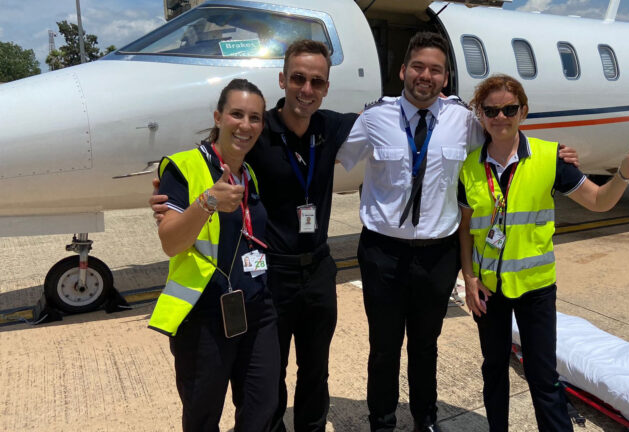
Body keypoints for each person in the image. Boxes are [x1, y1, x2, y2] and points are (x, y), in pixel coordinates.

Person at [336, 32, 578, 432]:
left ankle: (425, 420)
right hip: (383, 253)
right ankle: (382, 421)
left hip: (437, 254)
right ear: (403, 71)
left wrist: (560, 154)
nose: (425, 76)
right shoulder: (374, 119)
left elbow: (506, 134)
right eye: (418, 67)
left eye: (435, 70)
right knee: (383, 347)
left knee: (426, 345)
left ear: (445, 78)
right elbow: (335, 157)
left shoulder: (463, 120)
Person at [151, 40, 358, 432]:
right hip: (263, 281)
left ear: (327, 87)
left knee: (311, 372)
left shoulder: (331, 126)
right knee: (256, 389)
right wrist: (194, 200)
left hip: (309, 274)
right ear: (283, 79)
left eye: (317, 80)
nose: (306, 88)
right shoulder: (257, 138)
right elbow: (200, 166)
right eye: (297, 78)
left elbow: (385, 116)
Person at [457, 74, 629, 432]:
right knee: (494, 371)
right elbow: (465, 230)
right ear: (480, 115)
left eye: (509, 109)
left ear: (523, 112)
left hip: (536, 288)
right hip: (489, 291)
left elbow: (597, 201)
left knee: (543, 376)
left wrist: (623, 174)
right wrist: (468, 278)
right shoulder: (469, 167)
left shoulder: (550, 157)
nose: (501, 117)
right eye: (491, 110)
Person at [149, 78, 278, 431]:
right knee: (203, 417)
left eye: (255, 118)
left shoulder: (249, 173)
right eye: (237, 114)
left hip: (256, 308)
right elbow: (171, 243)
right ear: (218, 117)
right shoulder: (184, 166)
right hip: (203, 315)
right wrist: (207, 202)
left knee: (261, 407)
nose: (245, 125)